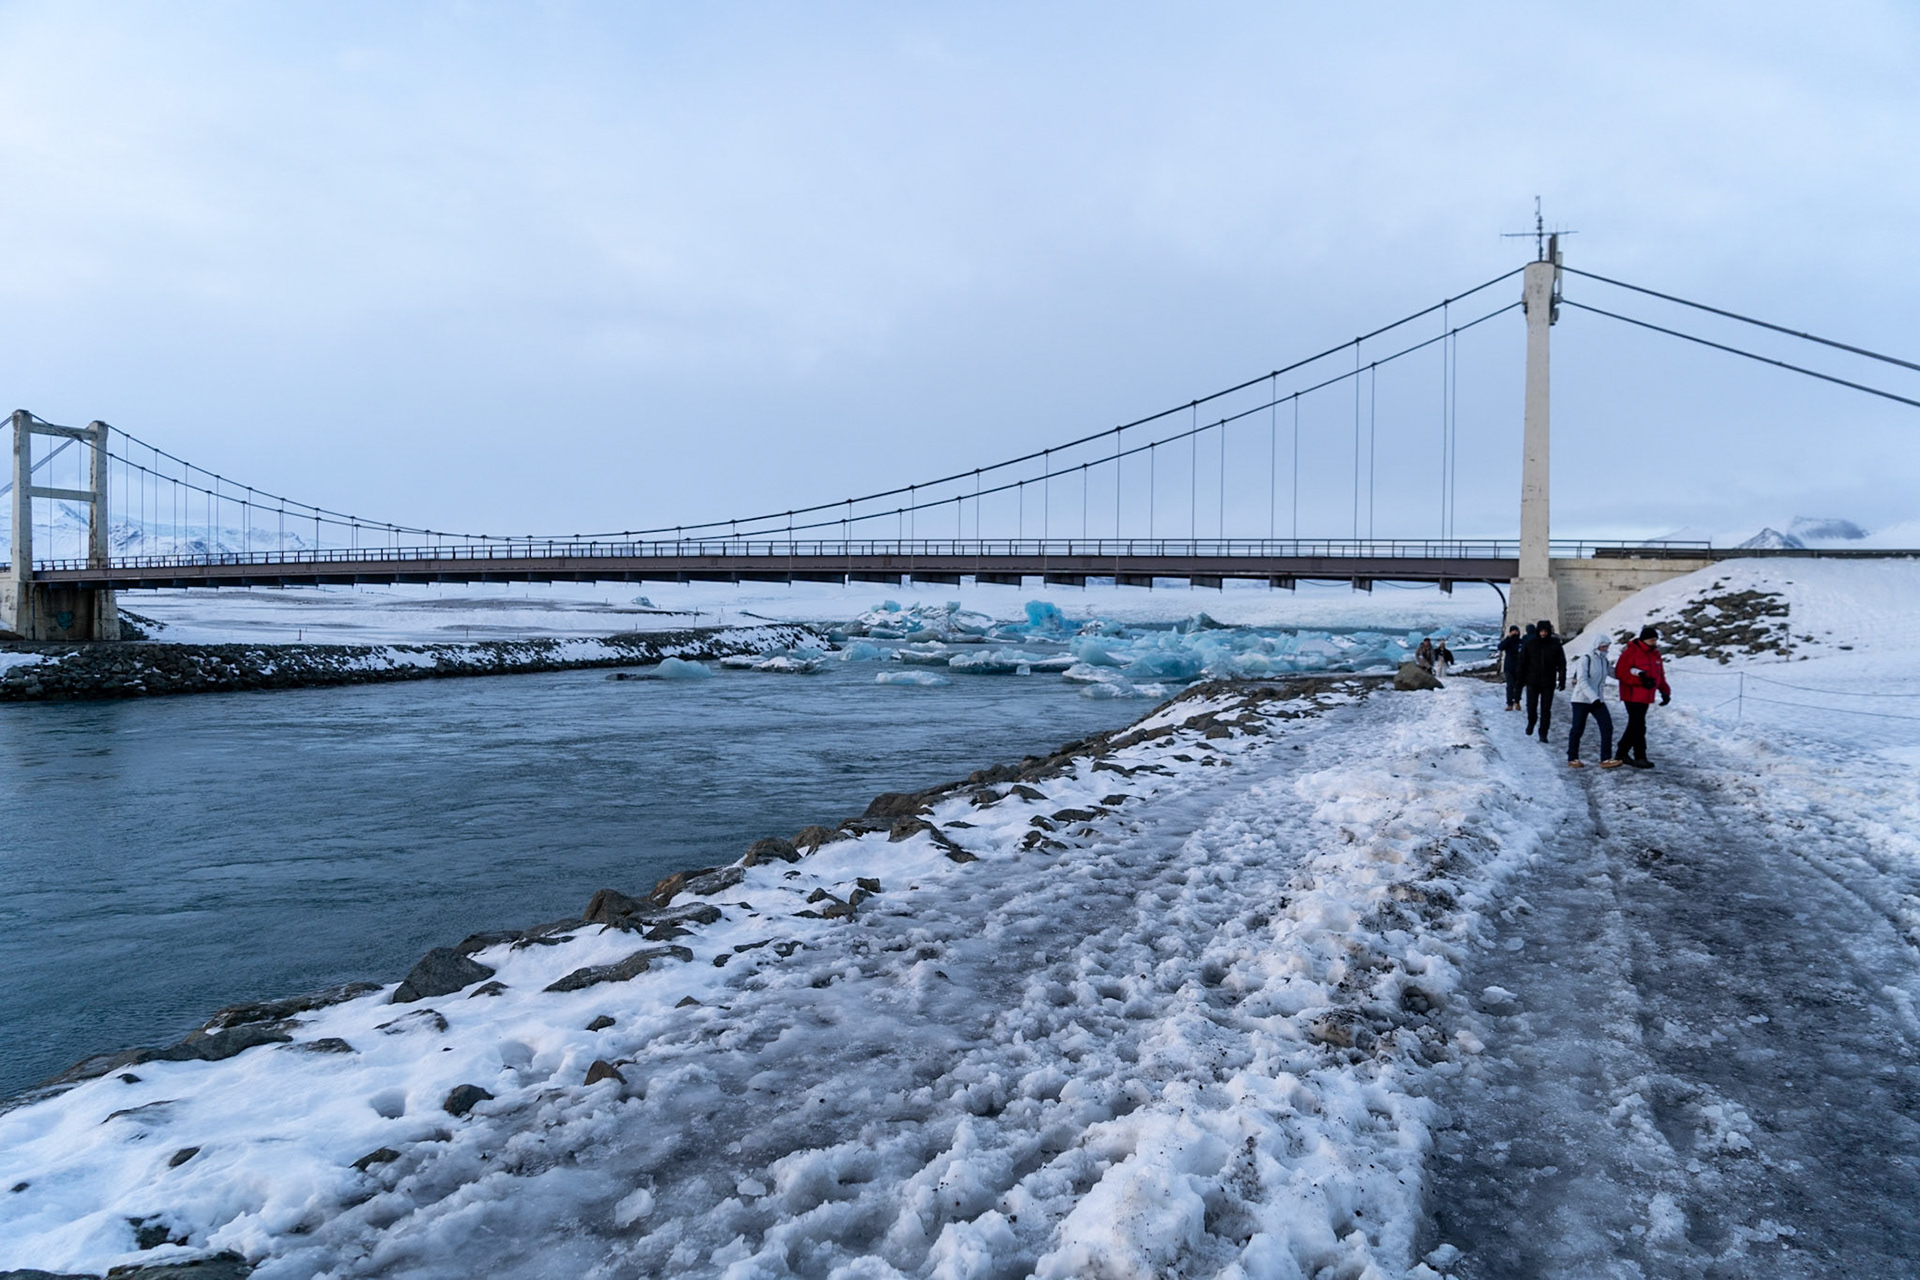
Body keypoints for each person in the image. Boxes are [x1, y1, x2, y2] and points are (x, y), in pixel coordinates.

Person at [1613, 624, 1671, 769]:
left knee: (1635, 725)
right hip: (1632, 695)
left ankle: (1622, 753)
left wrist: (1665, 691)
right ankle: (1640, 756)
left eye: (1655, 640)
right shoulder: (1630, 653)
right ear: (1644, 639)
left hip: (1646, 695)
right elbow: (1621, 673)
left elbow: (1660, 675)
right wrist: (1641, 681)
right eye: (1651, 640)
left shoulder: (1655, 654)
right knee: (1638, 726)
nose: (1654, 643)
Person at [1566, 635, 1623, 768]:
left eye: (1607, 646)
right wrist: (1593, 698)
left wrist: (1635, 673)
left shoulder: (1604, 660)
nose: (1606, 649)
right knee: (1578, 728)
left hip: (1597, 700)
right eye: (1603, 646)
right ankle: (1572, 757)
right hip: (1581, 700)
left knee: (1607, 726)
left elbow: (1615, 673)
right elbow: (1582, 681)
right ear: (1597, 645)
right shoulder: (1585, 659)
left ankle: (1606, 758)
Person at [1521, 618, 1566, 743]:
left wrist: (1561, 679)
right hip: (1532, 681)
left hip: (1548, 682)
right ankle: (1531, 722)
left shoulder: (1555, 645)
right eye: (1541, 631)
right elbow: (1523, 663)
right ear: (1537, 631)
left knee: (1546, 709)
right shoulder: (1530, 644)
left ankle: (1543, 733)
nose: (1543, 634)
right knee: (1531, 706)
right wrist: (1521, 681)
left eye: (1545, 631)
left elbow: (1562, 663)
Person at [1498, 624, 1526, 710]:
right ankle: (1509, 703)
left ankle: (1517, 701)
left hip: (1519, 667)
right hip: (1509, 667)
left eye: (1516, 631)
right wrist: (1508, 637)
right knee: (1510, 686)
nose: (1515, 633)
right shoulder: (1508, 642)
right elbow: (1500, 647)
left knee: (1518, 686)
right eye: (1513, 631)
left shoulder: (1521, 642)